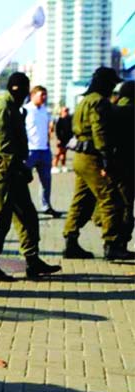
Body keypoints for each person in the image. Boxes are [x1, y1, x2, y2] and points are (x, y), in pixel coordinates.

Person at [0, 72, 61, 281]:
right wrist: (21, 168)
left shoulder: (14, 107)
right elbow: (4, 145)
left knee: (27, 217)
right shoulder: (4, 108)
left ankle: (32, 261)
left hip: (13, 170)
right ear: (18, 90)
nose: (26, 94)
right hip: (3, 170)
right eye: (25, 90)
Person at [62, 67, 134, 261]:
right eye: (112, 83)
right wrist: (106, 158)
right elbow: (100, 131)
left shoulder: (84, 100)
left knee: (81, 201)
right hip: (93, 157)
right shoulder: (99, 102)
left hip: (80, 157)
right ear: (105, 83)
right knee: (110, 199)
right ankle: (111, 246)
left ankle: (71, 241)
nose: (113, 87)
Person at [24, 85, 61, 218]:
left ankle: (46, 206)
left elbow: (49, 128)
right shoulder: (25, 110)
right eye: (41, 95)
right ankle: (21, 208)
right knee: (22, 180)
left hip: (44, 151)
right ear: (33, 95)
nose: (44, 98)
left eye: (45, 95)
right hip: (30, 151)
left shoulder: (45, 110)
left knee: (46, 181)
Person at [111, 80, 134, 253]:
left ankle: (111, 242)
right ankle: (121, 244)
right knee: (127, 206)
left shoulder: (113, 111)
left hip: (114, 164)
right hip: (130, 166)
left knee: (115, 204)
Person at [52, 106, 72, 174]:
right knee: (58, 153)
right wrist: (58, 139)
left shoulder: (69, 119)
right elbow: (57, 130)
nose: (66, 112)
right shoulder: (59, 119)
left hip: (67, 139)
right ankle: (54, 166)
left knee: (64, 153)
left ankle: (63, 166)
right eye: (65, 110)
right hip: (60, 139)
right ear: (61, 112)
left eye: (67, 110)